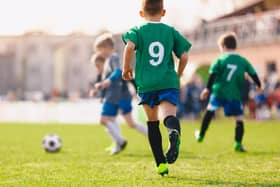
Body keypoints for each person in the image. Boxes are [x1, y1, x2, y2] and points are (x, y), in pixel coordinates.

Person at [122, 0, 191, 175]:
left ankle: (161, 164)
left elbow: (129, 46)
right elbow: (184, 56)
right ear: (163, 12)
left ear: (141, 13)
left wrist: (126, 68)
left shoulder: (137, 30)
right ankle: (173, 131)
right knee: (168, 117)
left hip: (146, 84)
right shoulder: (170, 31)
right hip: (168, 81)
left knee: (152, 123)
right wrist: (178, 74)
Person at [195, 32, 262, 152]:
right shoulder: (242, 60)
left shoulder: (220, 59)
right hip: (234, 94)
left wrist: (207, 89)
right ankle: (238, 143)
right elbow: (252, 73)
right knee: (239, 118)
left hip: (219, 91)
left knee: (210, 110)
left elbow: (213, 74)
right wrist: (259, 85)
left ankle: (201, 134)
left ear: (224, 46)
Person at [90, 33, 148, 155]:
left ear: (108, 48)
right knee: (127, 123)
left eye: (101, 50)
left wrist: (108, 81)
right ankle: (150, 134)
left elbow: (118, 72)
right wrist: (99, 87)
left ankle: (120, 141)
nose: (100, 53)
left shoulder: (113, 57)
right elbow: (110, 78)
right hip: (115, 96)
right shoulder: (108, 61)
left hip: (117, 97)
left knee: (105, 120)